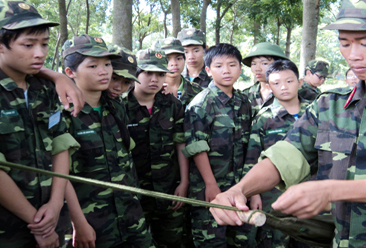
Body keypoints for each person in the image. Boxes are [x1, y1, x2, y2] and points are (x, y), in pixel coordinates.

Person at [210, 0, 366, 247]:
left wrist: (331, 191)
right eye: (344, 43)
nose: (353, 55)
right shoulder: (330, 105)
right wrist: (239, 190)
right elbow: (286, 157)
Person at [0, 0, 79, 248]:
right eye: (28, 44)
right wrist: (38, 224)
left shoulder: (43, 88)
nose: (40, 53)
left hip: (54, 219)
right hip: (10, 229)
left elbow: (60, 144)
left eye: (44, 44)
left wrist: (55, 206)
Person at [62, 34, 153, 248]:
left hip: (130, 215)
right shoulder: (64, 113)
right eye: (93, 66)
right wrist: (78, 224)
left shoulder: (115, 106)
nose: (104, 71)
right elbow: (60, 175)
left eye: (108, 64)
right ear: (70, 72)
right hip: (91, 220)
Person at [181, 43, 254, 247]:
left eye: (232, 65)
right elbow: (197, 146)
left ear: (240, 68)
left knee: (241, 239)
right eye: (219, 65)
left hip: (240, 187)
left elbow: (251, 146)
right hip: (211, 187)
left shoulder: (244, 102)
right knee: (212, 240)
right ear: (208, 70)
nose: (226, 70)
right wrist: (211, 183)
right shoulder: (202, 103)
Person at [124, 49, 188, 248]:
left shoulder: (172, 105)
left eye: (161, 74)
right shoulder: (121, 106)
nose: (155, 79)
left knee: (171, 242)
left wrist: (184, 182)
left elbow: (181, 143)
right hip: (133, 192)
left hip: (168, 190)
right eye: (148, 73)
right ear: (136, 73)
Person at [244, 60, 310, 247]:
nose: (284, 87)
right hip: (273, 194)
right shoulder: (264, 119)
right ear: (269, 86)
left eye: (289, 81)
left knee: (309, 237)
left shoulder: (315, 113)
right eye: (276, 83)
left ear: (300, 82)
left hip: (310, 189)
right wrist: (254, 194)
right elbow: (252, 157)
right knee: (274, 239)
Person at [242, 42, 289, 116]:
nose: (257, 69)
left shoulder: (291, 93)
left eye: (264, 63)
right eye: (254, 64)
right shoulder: (245, 95)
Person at [160, 37, 203, 108]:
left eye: (178, 58)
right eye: (167, 59)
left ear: (184, 60)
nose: (174, 63)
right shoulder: (154, 90)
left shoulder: (196, 90)